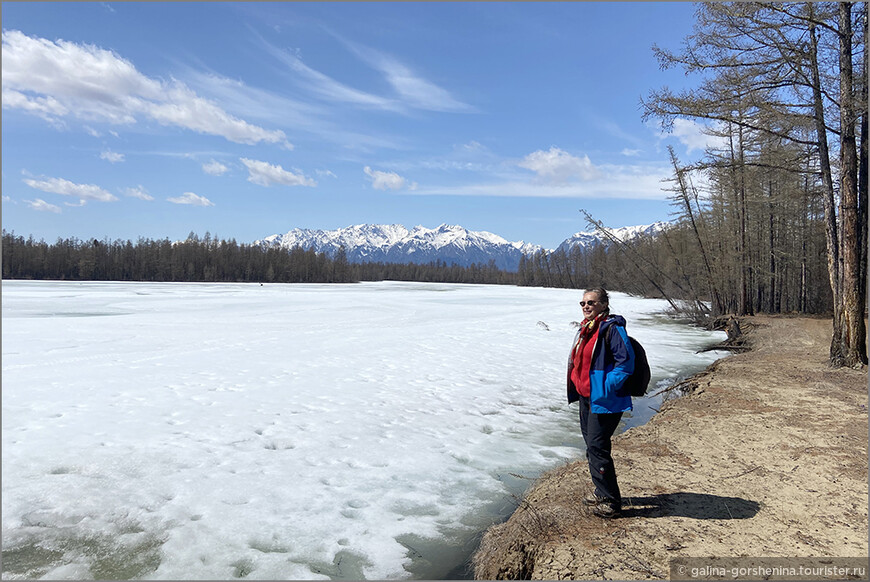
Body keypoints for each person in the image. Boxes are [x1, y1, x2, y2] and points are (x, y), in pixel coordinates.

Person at [566, 287, 635, 518]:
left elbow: (625, 363)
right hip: (586, 397)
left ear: (604, 305)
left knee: (598, 446)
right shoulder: (586, 329)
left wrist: (605, 387)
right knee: (592, 446)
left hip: (605, 399)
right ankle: (601, 491)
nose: (586, 307)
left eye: (591, 303)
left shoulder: (612, 329)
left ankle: (612, 501)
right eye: (583, 303)